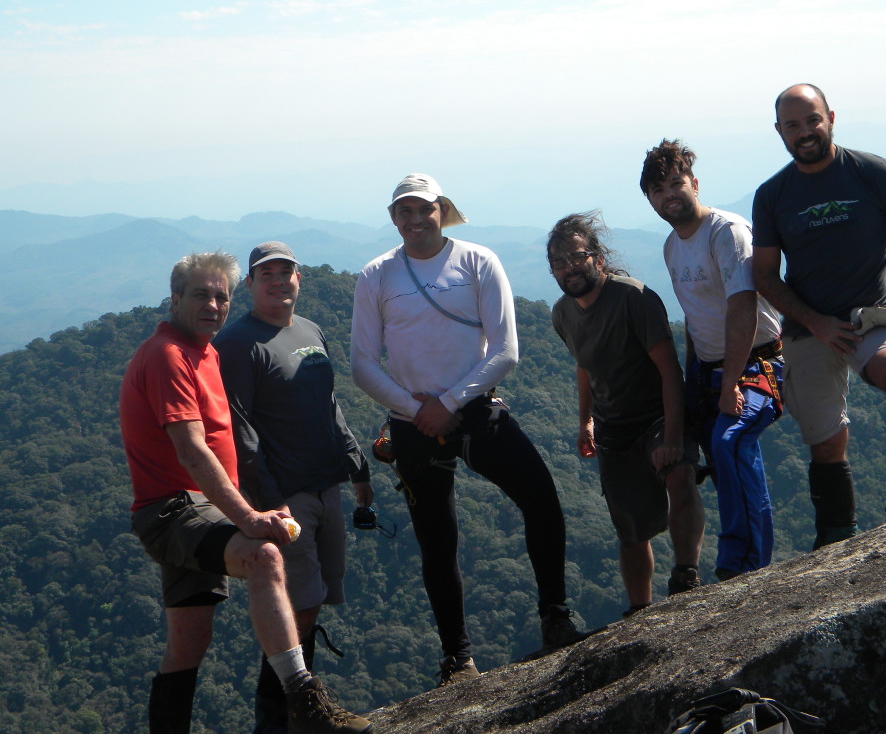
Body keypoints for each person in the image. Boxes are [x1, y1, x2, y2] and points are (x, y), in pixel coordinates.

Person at [120, 251, 373, 734]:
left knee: (188, 642)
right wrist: (250, 516)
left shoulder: (206, 351)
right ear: (174, 299)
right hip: (176, 507)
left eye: (221, 297)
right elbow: (193, 452)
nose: (213, 305)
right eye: (201, 295)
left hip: (199, 508)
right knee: (265, 558)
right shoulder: (168, 354)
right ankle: (305, 703)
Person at [350, 173, 583, 685]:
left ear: (442, 210)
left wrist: (449, 402)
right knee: (438, 540)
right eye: (404, 212)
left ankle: (555, 617)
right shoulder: (376, 275)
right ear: (394, 218)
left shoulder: (478, 261)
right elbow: (362, 363)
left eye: (424, 209)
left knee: (541, 498)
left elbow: (506, 350)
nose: (414, 220)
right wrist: (416, 410)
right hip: (411, 420)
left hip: (475, 408)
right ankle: (458, 659)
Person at [751, 83, 886, 549]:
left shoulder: (873, 173)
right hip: (808, 326)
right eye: (793, 125)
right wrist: (815, 321)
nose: (805, 132)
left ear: (831, 117)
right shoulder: (773, 194)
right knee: (825, 440)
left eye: (812, 120)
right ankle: (837, 537)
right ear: (778, 131)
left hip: (868, 320)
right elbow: (765, 276)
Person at [212, 242, 373, 734]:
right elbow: (241, 433)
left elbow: (331, 407)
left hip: (328, 485)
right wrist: (269, 503)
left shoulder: (310, 330)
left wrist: (360, 470)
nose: (279, 282)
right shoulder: (239, 343)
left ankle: (301, 710)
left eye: (287, 272)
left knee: (314, 600)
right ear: (250, 286)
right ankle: (280, 716)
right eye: (268, 275)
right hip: (288, 497)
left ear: (299, 278)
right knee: (298, 602)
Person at [547, 211, 706, 616]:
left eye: (577, 257)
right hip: (613, 426)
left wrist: (672, 438)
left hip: (657, 414)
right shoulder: (563, 314)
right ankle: (640, 613)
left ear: (598, 258)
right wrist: (585, 420)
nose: (570, 268)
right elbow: (585, 365)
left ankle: (686, 577)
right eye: (560, 262)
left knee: (681, 477)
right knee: (631, 530)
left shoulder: (634, 298)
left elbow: (670, 370)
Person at [640, 139, 784, 581]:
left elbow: (743, 307)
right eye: (659, 189)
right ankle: (746, 561)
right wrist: (691, 384)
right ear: (649, 199)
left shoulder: (727, 233)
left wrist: (730, 384)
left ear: (695, 183)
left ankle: (743, 566)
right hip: (707, 368)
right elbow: (694, 318)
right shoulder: (671, 247)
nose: (670, 195)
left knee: (731, 442)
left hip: (758, 363)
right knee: (723, 465)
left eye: (677, 183)